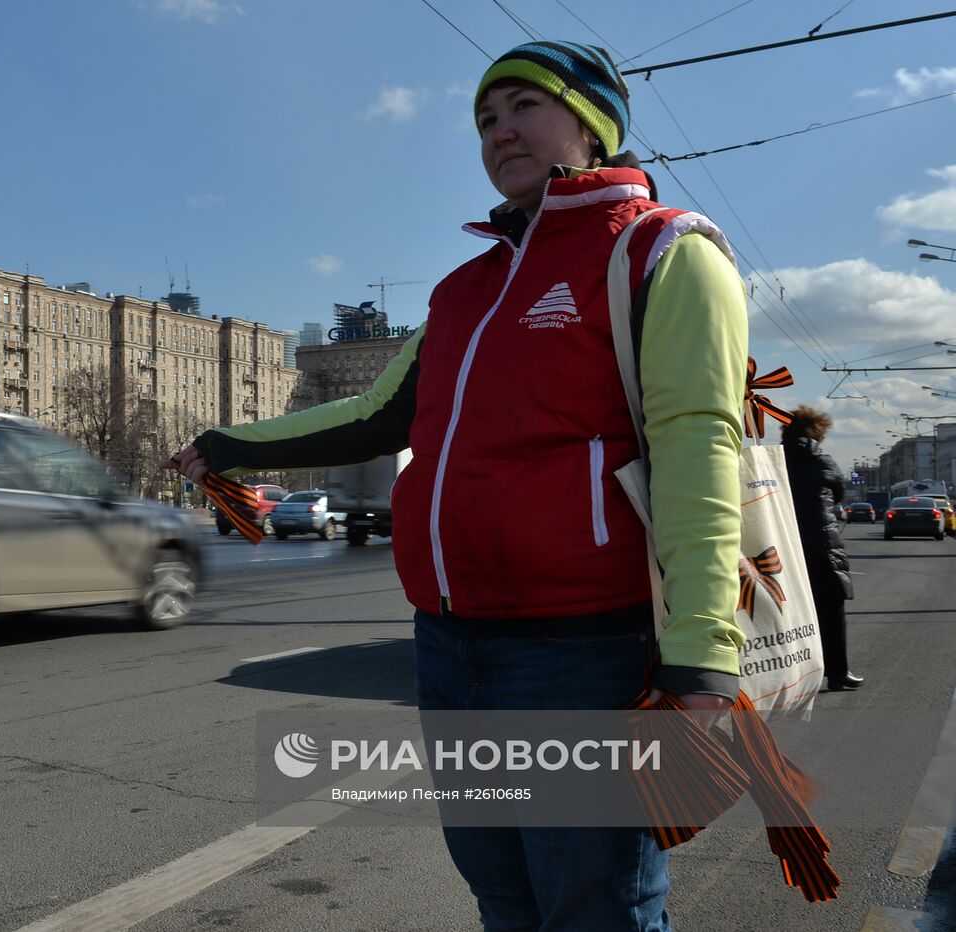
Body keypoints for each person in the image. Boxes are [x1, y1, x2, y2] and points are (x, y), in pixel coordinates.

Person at [163, 40, 748, 930]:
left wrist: (703, 654)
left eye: (524, 107)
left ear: (592, 127)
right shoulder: (464, 291)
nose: (500, 132)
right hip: (451, 647)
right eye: (484, 120)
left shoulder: (662, 252)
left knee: (597, 908)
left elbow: (699, 448)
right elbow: (374, 415)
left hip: (584, 651)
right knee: (503, 899)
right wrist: (229, 444)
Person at [782, 406, 861, 692]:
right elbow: (838, 493)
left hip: (784, 547)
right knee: (831, 610)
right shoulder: (823, 460)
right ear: (818, 432)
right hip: (823, 546)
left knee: (789, 614)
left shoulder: (774, 459)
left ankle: (793, 675)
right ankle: (838, 674)